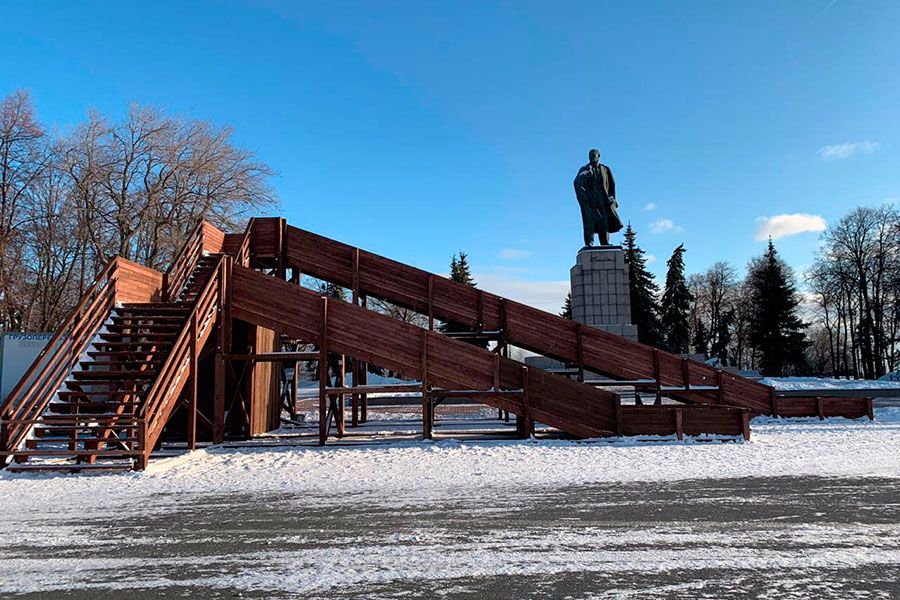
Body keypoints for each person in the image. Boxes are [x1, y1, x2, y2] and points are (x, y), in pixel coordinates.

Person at [573, 148, 623, 246]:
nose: (591, 157)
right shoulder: (584, 169)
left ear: (598, 156)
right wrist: (585, 176)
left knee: (604, 221)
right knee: (589, 222)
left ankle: (605, 242)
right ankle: (589, 243)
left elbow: (612, 185)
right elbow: (576, 182)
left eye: (593, 155)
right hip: (590, 201)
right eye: (590, 155)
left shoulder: (605, 169)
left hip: (603, 200)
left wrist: (612, 197)